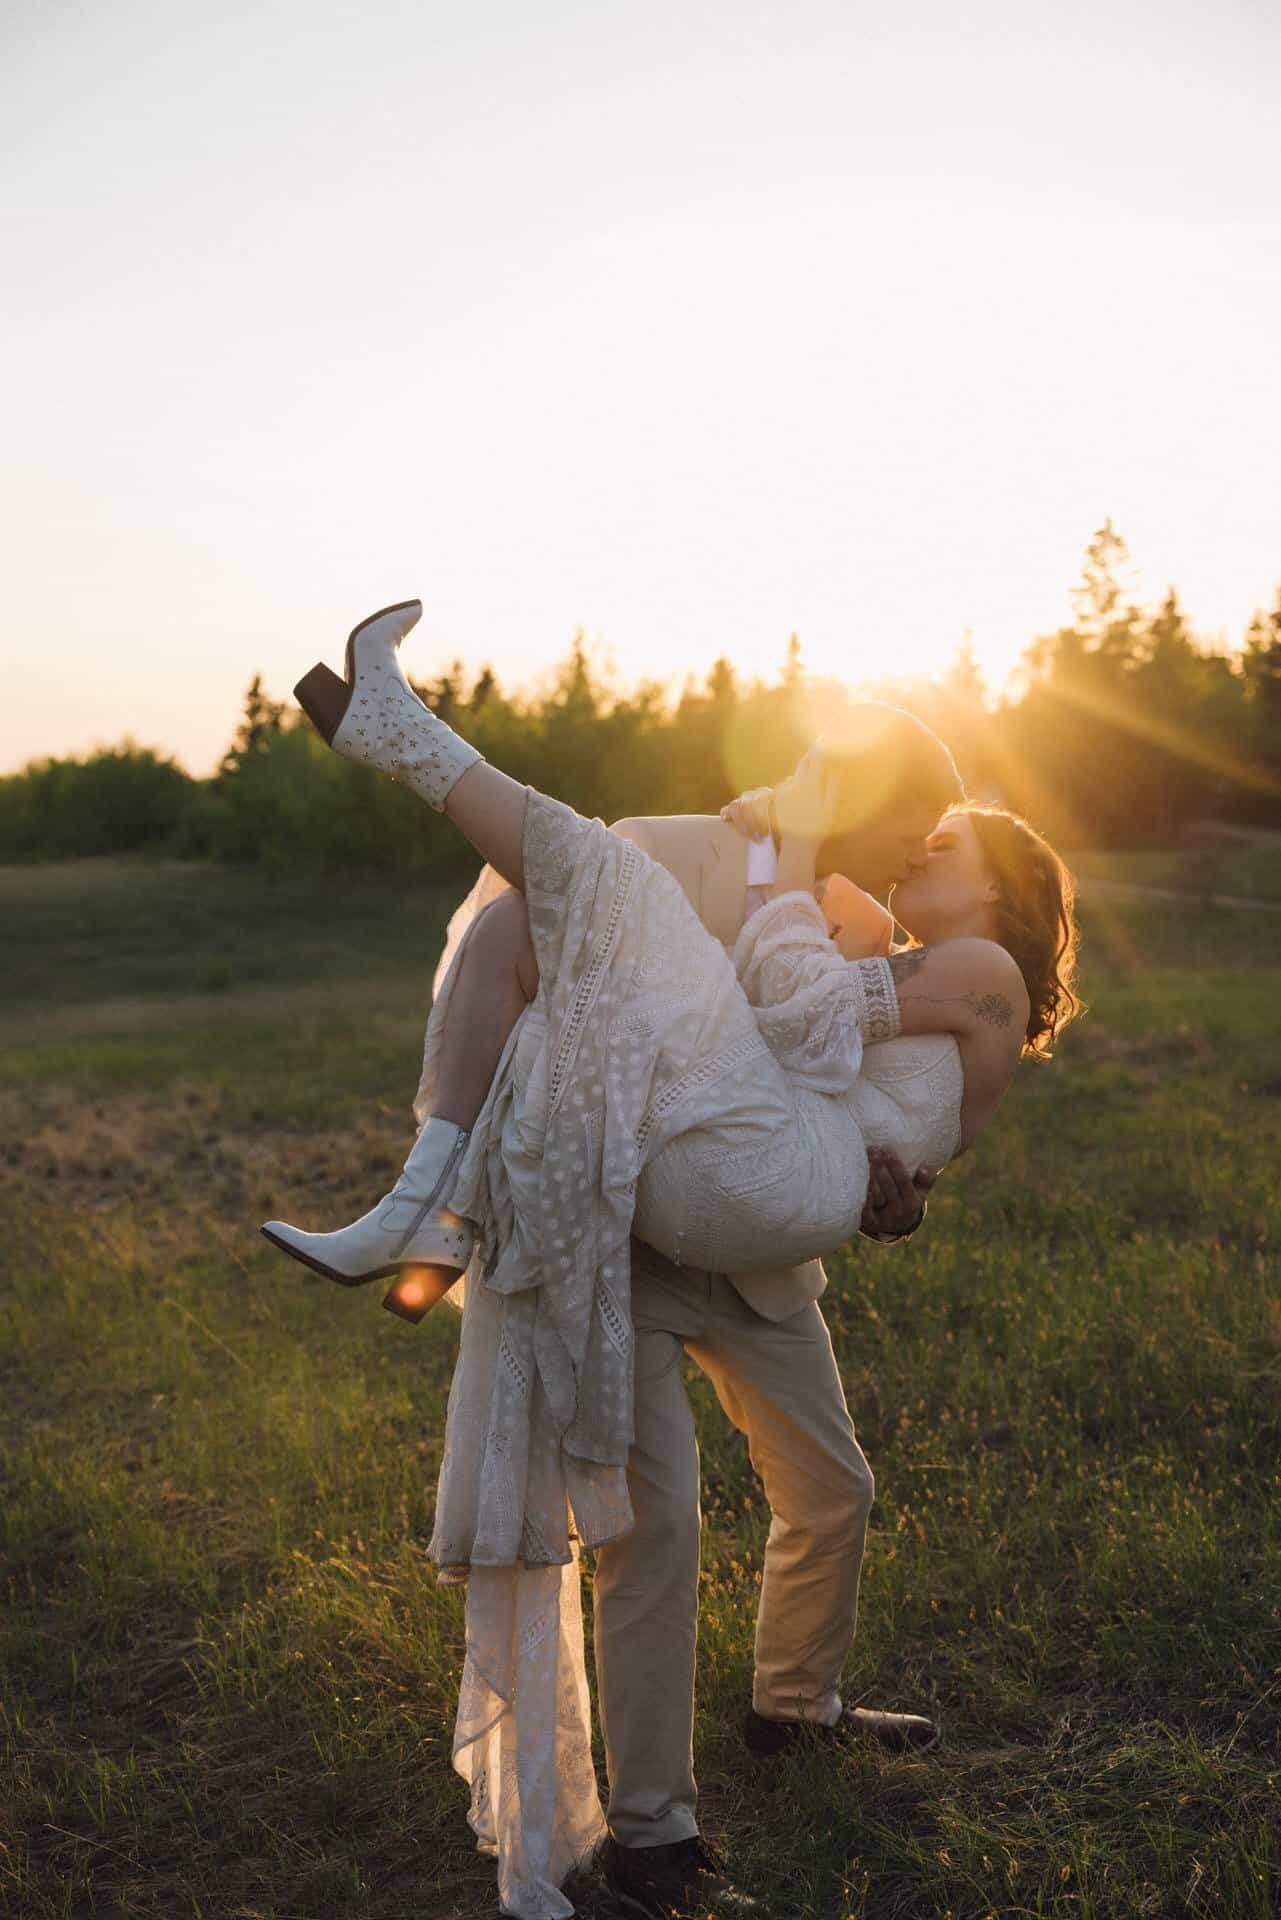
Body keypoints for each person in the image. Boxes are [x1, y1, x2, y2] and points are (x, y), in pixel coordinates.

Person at [261, 600, 1082, 1919]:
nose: (912, 855)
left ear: (995, 889)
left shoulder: (943, 963)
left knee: (833, 1487)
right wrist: (774, 850)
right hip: (645, 1236)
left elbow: (880, 1103)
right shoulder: (827, 906)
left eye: (939, 846)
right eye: (911, 836)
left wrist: (897, 1188)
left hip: (758, 1254)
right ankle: (653, 1841)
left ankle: (792, 1709)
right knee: (652, 1534)